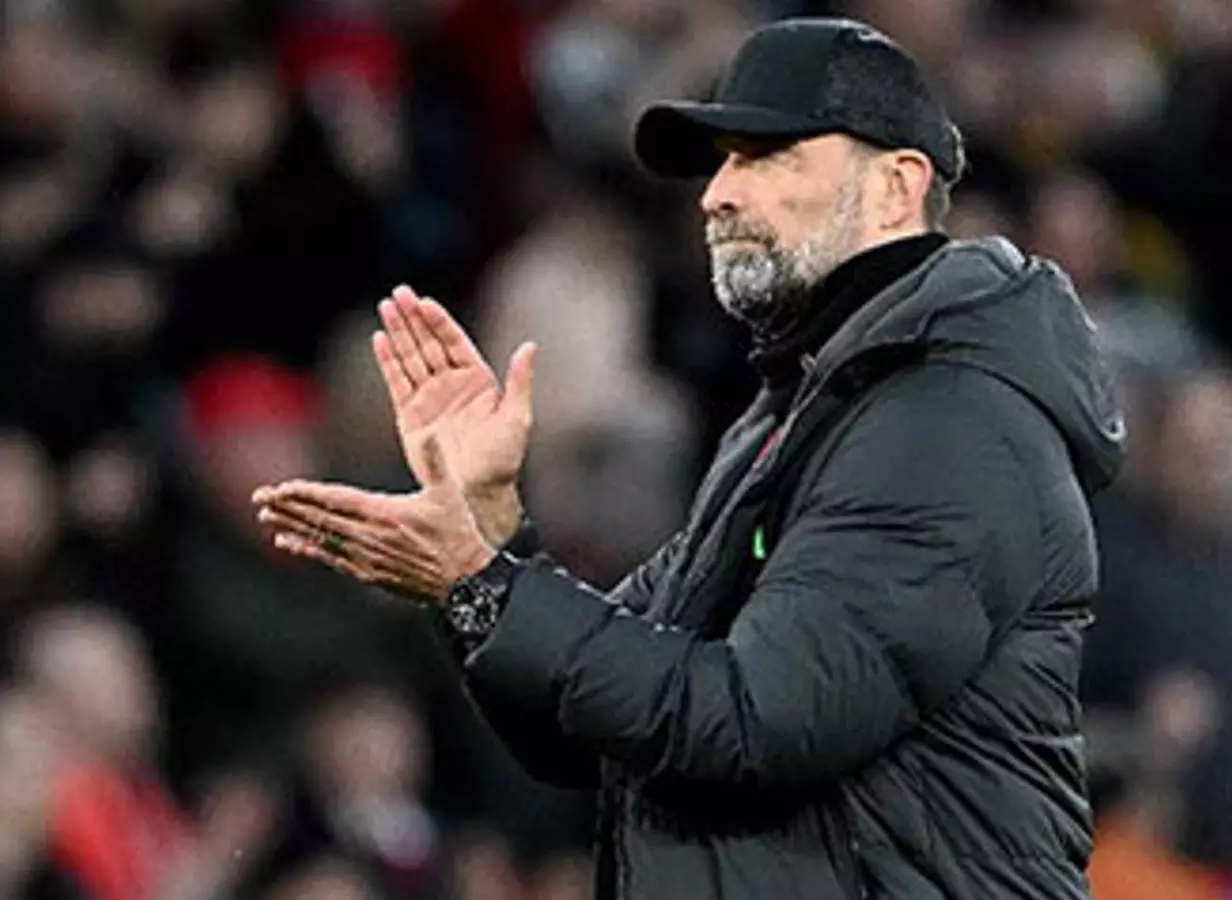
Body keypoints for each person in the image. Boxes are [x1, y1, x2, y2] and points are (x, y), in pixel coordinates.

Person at [253, 16, 1126, 900]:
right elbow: (590, 728)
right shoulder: (793, 419)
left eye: (765, 156)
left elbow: (755, 724)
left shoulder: (947, 423)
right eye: (721, 163)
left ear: (896, 187)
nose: (716, 194)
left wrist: (480, 579)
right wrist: (490, 531)